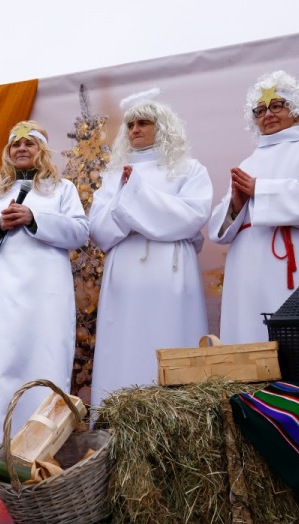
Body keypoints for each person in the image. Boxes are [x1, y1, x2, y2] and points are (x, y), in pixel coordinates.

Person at [0, 120, 88, 456]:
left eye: (28, 143)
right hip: (2, 297)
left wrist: (34, 218)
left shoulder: (62, 189)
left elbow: (79, 233)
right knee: (1, 367)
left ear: (41, 149)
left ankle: (46, 451)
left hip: (47, 298)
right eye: (15, 144)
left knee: (47, 363)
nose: (21, 149)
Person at [88, 90, 213, 407]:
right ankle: (118, 422)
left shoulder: (188, 169)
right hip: (125, 279)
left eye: (143, 123)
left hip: (169, 279)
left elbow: (192, 216)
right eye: (130, 125)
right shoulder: (113, 176)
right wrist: (142, 211)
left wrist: (134, 201)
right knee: (125, 348)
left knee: (170, 341)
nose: (135, 130)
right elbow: (99, 229)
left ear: (162, 126)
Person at [208, 70, 299, 343]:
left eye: (276, 106)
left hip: (297, 266)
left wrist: (261, 190)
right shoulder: (249, 162)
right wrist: (236, 206)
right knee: (251, 338)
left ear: (295, 109)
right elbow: (219, 231)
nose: (267, 114)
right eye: (260, 110)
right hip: (248, 269)